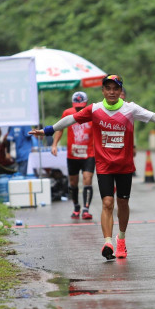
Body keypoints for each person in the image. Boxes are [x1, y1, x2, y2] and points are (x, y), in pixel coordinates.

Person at [30, 74, 155, 260]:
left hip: (125, 166)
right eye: (108, 88)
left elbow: (154, 117)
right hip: (104, 165)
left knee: (123, 203)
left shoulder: (130, 109)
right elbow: (71, 119)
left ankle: (121, 239)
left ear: (121, 91)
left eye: (116, 88)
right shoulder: (94, 109)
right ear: (103, 91)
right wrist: (47, 130)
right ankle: (107, 242)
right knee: (107, 203)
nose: (112, 92)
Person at [51, 91, 96, 220]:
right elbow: (60, 128)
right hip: (73, 154)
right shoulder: (67, 113)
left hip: (89, 153)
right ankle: (76, 207)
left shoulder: (92, 113)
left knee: (87, 179)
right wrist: (54, 144)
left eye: (81, 106)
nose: (79, 109)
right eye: (77, 106)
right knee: (73, 183)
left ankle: (86, 209)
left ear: (86, 104)